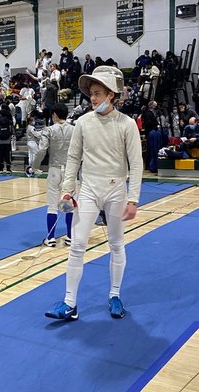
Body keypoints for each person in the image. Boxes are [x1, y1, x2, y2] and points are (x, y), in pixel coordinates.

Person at [45, 66, 143, 321]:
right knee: (77, 244)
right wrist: (67, 191)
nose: (93, 98)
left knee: (116, 244)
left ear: (112, 94)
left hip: (115, 191)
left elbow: (136, 163)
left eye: (98, 93)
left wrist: (133, 199)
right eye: (91, 93)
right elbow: (73, 157)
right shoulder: (83, 123)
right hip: (88, 189)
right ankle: (69, 304)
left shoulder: (127, 124)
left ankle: (114, 295)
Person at [31, 103, 74, 247]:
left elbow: (42, 150)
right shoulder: (75, 130)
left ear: (54, 115)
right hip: (70, 171)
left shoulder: (48, 130)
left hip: (55, 170)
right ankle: (70, 237)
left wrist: (34, 167)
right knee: (69, 204)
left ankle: (51, 238)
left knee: (52, 206)